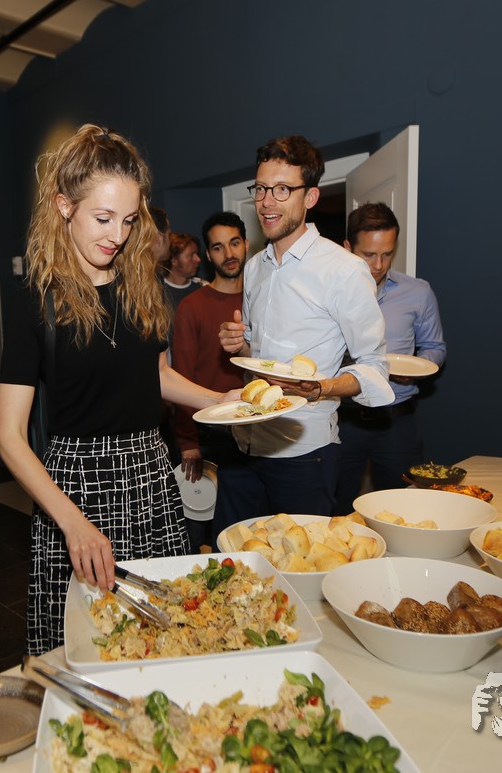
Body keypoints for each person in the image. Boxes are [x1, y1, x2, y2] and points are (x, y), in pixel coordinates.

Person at [0, 124, 239, 656]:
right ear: (64, 206)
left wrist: (220, 402)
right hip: (75, 485)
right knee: (89, 645)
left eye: (128, 220)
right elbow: (9, 435)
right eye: (103, 218)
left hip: (149, 472)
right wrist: (71, 523)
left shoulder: (141, 288)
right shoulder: (36, 302)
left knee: (169, 635)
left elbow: (155, 376)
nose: (117, 235)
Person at [216, 135, 393, 529]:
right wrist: (239, 342)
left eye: (282, 189)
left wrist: (322, 388)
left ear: (310, 197)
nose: (267, 201)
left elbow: (374, 366)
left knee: (299, 563)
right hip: (243, 441)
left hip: (303, 455)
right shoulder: (255, 266)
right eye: (261, 189)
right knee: (232, 555)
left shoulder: (343, 270)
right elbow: (256, 352)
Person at [335, 202, 446, 510]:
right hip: (343, 419)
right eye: (369, 254)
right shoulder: (329, 295)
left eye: (387, 254)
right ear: (348, 248)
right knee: (335, 509)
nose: (378, 264)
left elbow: (435, 347)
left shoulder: (418, 292)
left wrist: (421, 368)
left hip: (397, 420)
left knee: (404, 508)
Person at [169, 211, 252, 551]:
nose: (228, 254)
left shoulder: (262, 299)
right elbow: (180, 376)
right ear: (208, 255)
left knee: (243, 532)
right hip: (208, 434)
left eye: (234, 243)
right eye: (218, 247)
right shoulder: (192, 306)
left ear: (247, 244)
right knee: (196, 532)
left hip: (256, 432)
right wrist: (187, 440)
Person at [160, 231, 206, 316]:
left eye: (197, 254)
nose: (198, 259)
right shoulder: (156, 291)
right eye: (191, 255)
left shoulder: (203, 288)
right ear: (174, 260)